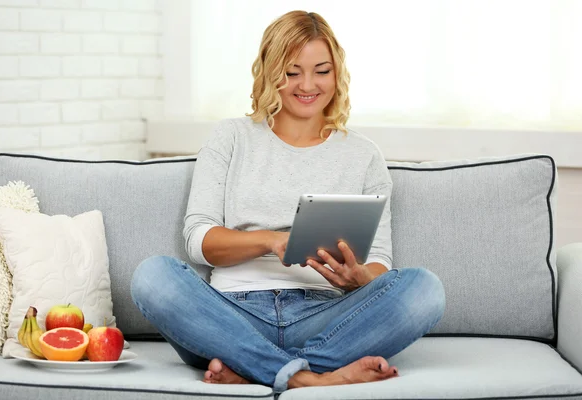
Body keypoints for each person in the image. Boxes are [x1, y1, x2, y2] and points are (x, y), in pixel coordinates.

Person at [131, 10, 445, 393]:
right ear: (269, 71)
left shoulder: (363, 155)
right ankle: (310, 377)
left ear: (337, 73)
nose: (307, 85)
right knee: (153, 276)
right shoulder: (231, 137)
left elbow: (379, 264)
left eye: (321, 71)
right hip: (233, 314)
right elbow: (199, 241)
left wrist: (357, 278)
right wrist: (271, 240)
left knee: (425, 289)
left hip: (327, 315)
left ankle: (255, 367)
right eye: (292, 72)